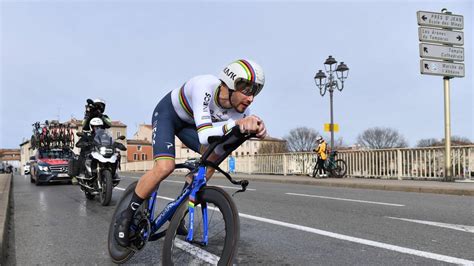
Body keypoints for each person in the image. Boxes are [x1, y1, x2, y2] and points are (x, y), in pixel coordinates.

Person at [114, 59, 267, 247]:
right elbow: (204, 135)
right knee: (165, 166)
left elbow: (224, 143)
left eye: (256, 92)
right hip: (168, 115)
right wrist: (236, 125)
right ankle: (126, 215)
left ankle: (179, 212)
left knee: (211, 162)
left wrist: (257, 131)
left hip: (190, 125)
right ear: (230, 83)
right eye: (247, 91)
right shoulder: (205, 86)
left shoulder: (242, 111)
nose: (251, 98)